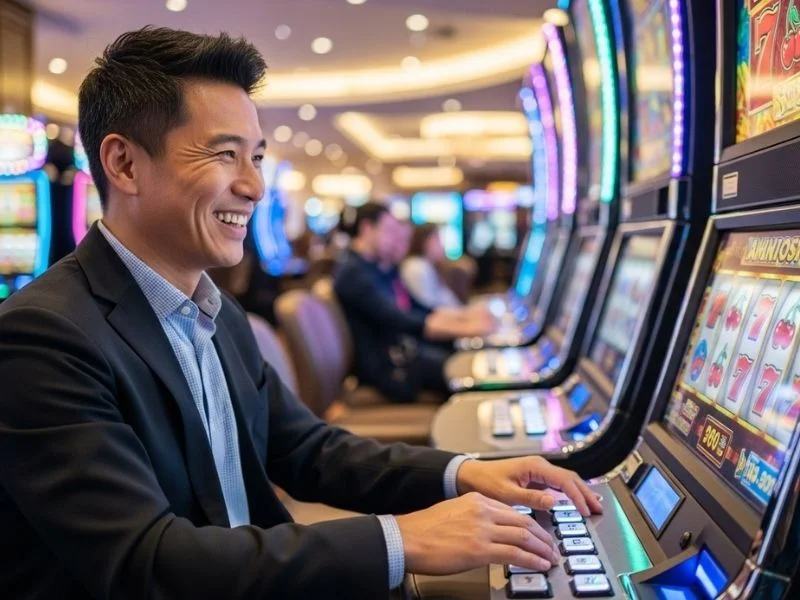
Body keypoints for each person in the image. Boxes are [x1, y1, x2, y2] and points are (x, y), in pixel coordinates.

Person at [0, 27, 602, 599]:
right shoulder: (44, 337)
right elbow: (146, 566)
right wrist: (400, 538)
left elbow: (308, 450)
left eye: (257, 157)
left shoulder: (217, 311)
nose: (254, 186)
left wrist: (464, 473)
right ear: (125, 164)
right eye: (225, 155)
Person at [334, 204, 494, 401]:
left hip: (401, 354)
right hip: (386, 369)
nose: (395, 240)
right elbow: (400, 319)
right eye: (389, 231)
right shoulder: (354, 273)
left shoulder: (378, 267)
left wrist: (465, 318)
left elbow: (416, 308)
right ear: (367, 229)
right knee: (465, 370)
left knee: (463, 355)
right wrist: (468, 329)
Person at [401, 223, 464, 310]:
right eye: (437, 240)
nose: (442, 245)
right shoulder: (417, 267)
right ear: (424, 241)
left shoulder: (428, 265)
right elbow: (429, 308)